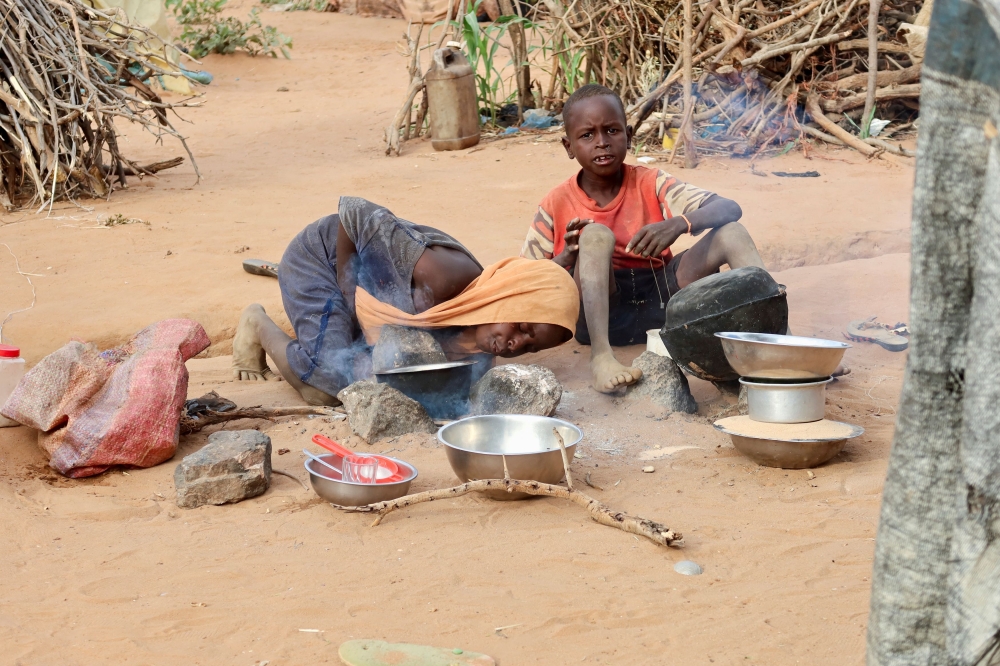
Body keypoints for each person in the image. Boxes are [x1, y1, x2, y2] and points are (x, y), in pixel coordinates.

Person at [521, 84, 769, 393]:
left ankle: (779, 342)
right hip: (601, 314)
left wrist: (679, 224)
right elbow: (525, 278)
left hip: (662, 303)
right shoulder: (555, 203)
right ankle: (602, 357)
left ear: (629, 135)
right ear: (568, 146)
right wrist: (565, 259)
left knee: (732, 232)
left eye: (612, 131)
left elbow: (729, 208)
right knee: (595, 235)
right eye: (587, 135)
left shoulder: (651, 182)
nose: (602, 142)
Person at [232, 197, 580, 405]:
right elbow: (352, 213)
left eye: (530, 347)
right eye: (520, 326)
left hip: (371, 296)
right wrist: (348, 293)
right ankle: (256, 324)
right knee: (325, 385)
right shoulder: (443, 278)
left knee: (374, 380)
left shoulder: (478, 337)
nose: (515, 344)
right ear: (507, 296)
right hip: (322, 257)